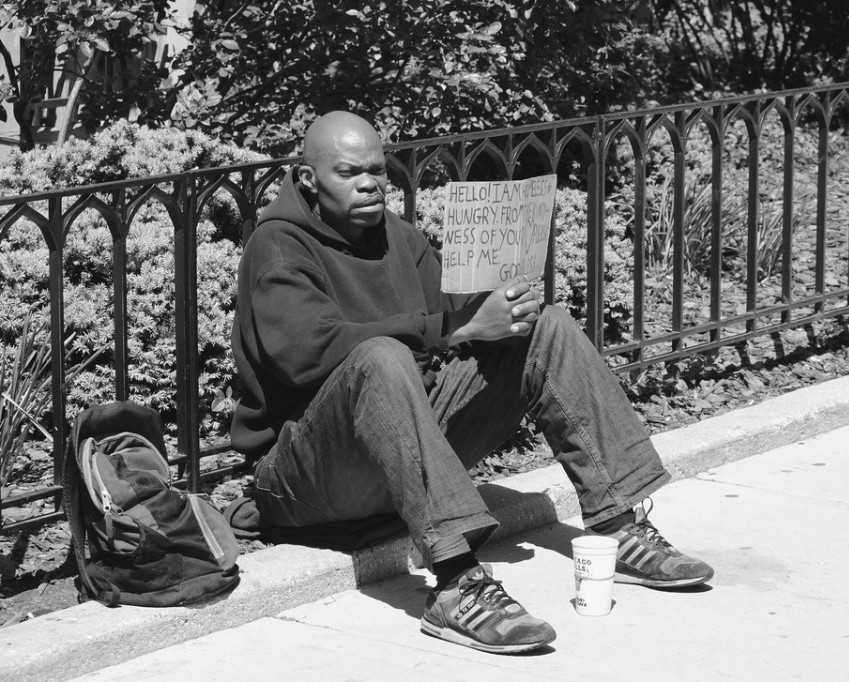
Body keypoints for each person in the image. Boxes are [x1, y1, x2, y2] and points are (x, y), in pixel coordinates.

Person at [231, 110, 714, 654]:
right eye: (348, 172)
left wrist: (496, 313)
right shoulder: (277, 247)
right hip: (307, 478)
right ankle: (457, 585)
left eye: (377, 170)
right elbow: (304, 355)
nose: (369, 183)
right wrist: (446, 328)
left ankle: (620, 526)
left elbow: (451, 324)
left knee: (545, 327)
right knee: (382, 358)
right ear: (308, 180)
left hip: (395, 448)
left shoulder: (398, 236)